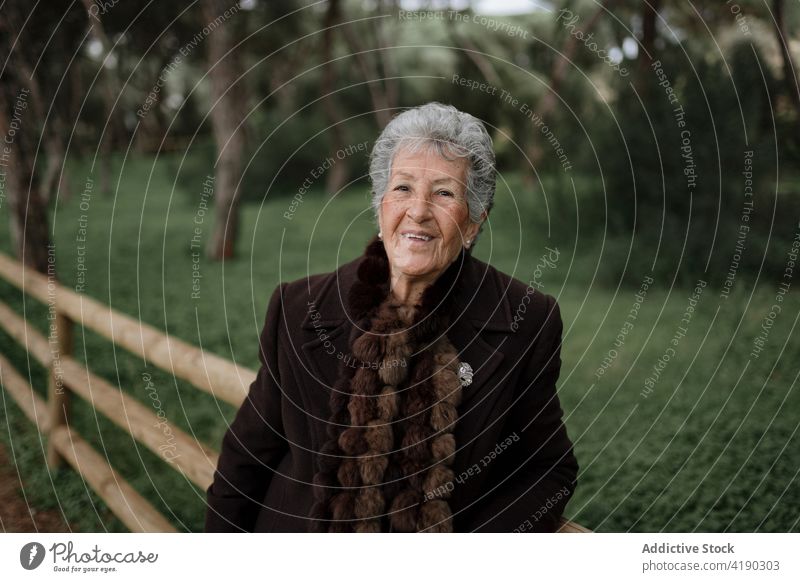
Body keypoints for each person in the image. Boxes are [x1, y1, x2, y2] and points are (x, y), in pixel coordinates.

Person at [204, 102, 578, 532]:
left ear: (475, 222)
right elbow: (247, 458)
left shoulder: (526, 320)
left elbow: (548, 471)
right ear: (381, 206)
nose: (418, 211)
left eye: (444, 193)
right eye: (402, 188)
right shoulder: (296, 306)